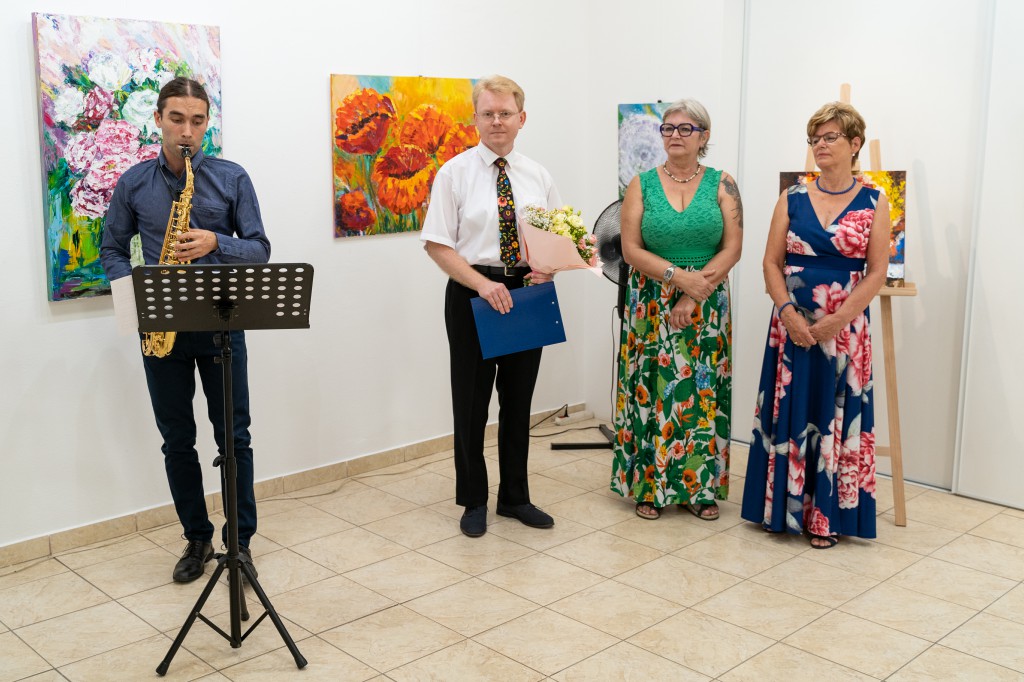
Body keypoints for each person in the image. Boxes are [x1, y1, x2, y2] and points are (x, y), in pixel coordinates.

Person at [100, 77, 270, 581]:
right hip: (161, 329)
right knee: (176, 440)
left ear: (207, 123)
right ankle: (196, 538)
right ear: (158, 119)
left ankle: (239, 543)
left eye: (197, 121)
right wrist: (134, 296)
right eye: (177, 119)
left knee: (234, 438)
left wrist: (217, 242)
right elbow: (112, 249)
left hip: (221, 325)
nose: (187, 131)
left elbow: (260, 249)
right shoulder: (134, 183)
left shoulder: (232, 178)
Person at [740, 102, 890, 548]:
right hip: (790, 327)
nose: (820, 145)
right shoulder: (792, 198)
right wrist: (788, 312)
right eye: (814, 139)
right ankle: (780, 513)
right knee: (791, 409)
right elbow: (770, 262)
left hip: (845, 331)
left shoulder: (875, 201)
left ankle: (826, 518)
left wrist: (837, 321)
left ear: (855, 143)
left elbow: (876, 272)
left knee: (834, 414)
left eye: (830, 137)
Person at [421, 75, 560, 538]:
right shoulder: (454, 173)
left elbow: (558, 236)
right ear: (475, 119)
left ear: (522, 118)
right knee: (471, 405)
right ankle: (474, 500)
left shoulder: (538, 175)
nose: (497, 121)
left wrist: (548, 269)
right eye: (488, 113)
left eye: (505, 113)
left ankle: (515, 497)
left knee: (518, 404)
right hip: (472, 295)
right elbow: (437, 244)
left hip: (526, 295)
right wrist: (482, 284)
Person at [610, 99, 743, 521]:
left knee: (701, 391)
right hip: (651, 301)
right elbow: (630, 250)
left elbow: (733, 248)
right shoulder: (641, 185)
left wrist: (694, 291)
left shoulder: (723, 184)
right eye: (668, 128)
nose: (674, 136)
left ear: (704, 136)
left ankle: (699, 488)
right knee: (650, 389)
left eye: (686, 129)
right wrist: (676, 277)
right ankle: (648, 487)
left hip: (706, 302)